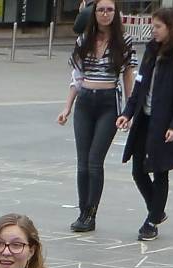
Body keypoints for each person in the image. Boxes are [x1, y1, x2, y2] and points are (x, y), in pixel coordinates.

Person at [56, 0, 136, 234]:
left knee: (94, 161)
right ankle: (83, 212)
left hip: (108, 102)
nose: (105, 14)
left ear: (115, 13)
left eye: (110, 10)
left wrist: (128, 111)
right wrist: (67, 107)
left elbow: (128, 76)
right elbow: (76, 77)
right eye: (101, 10)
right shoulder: (84, 40)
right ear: (94, 14)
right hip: (85, 102)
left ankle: (91, 213)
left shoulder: (124, 41)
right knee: (82, 163)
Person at [120, 7, 173, 240]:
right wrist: (128, 113)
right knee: (138, 169)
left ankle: (152, 221)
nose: (152, 31)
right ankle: (157, 209)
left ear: (171, 28)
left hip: (165, 124)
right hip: (145, 119)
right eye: (152, 26)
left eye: (157, 27)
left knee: (159, 170)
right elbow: (140, 85)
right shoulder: (151, 52)